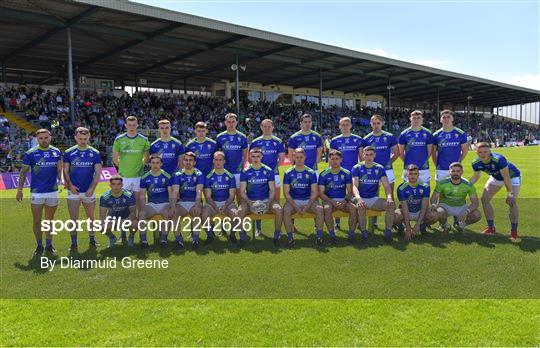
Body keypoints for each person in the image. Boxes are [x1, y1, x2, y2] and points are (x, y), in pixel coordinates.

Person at [16, 129, 63, 255]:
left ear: (50, 138)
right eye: (41, 138)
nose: (44, 140)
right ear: (37, 139)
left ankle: (49, 245)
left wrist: (62, 180)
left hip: (52, 191)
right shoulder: (30, 153)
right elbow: (23, 172)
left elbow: (59, 170)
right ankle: (39, 245)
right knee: (37, 221)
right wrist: (19, 190)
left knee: (49, 220)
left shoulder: (56, 152)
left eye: (46, 137)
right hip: (37, 192)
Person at [469, 142, 521, 240]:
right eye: (480, 152)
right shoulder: (475, 163)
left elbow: (506, 178)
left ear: (490, 151)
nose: (483, 154)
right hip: (496, 177)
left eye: (485, 151)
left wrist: (510, 193)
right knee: (485, 200)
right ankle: (491, 228)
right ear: (476, 153)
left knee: (512, 202)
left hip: (512, 176)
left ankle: (514, 231)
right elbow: (477, 175)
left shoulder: (498, 159)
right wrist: (467, 185)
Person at [63, 127, 102, 251]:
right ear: (75, 138)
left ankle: (92, 239)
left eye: (85, 139)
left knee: (91, 217)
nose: (83, 141)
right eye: (80, 139)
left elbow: (97, 173)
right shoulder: (69, 152)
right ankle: (73, 243)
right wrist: (70, 186)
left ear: (89, 137)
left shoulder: (95, 153)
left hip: (88, 191)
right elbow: (65, 171)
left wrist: (92, 188)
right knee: (73, 219)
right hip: (73, 191)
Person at [238, 148, 283, 247]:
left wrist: (268, 202)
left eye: (258, 156)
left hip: (266, 200)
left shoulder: (268, 170)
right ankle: (242, 236)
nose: (256, 159)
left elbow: (272, 190)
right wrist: (249, 202)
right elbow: (242, 191)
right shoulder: (245, 171)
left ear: (262, 157)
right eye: (253, 156)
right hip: (250, 200)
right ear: (249, 157)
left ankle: (277, 235)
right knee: (240, 211)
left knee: (279, 210)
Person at [249, 119, 286, 236]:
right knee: (257, 200)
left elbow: (281, 159)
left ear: (273, 127)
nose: (267, 128)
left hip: (274, 175)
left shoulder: (278, 141)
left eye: (269, 126)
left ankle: (277, 230)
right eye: (264, 126)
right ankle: (258, 228)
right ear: (261, 127)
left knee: (276, 201)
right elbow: (251, 159)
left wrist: (271, 170)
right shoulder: (255, 142)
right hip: (258, 176)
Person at [282, 148, 325, 248]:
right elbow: (286, 194)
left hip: (308, 200)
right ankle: (290, 238)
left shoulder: (310, 172)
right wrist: (296, 207)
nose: (299, 159)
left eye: (301, 157)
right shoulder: (288, 173)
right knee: (286, 210)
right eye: (297, 157)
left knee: (319, 209)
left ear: (305, 157)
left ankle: (319, 237)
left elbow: (314, 192)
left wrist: (307, 206)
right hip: (293, 201)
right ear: (293, 158)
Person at [352, 146, 394, 242]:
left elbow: (387, 186)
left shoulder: (379, 168)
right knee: (361, 206)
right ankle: (364, 232)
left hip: (373, 198)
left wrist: (389, 197)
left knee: (391, 205)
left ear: (374, 155)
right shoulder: (357, 168)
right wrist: (358, 198)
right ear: (363, 155)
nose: (369, 157)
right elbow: (354, 186)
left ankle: (388, 231)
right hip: (360, 197)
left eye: (371, 155)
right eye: (366, 155)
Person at [112, 116, 150, 220]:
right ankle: (125, 229)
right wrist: (124, 168)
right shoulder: (119, 139)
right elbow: (115, 158)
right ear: (125, 126)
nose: (132, 127)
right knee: (124, 204)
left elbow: (146, 159)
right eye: (129, 125)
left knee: (139, 202)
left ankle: (139, 225)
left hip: (138, 176)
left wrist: (138, 166)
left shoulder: (144, 140)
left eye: (134, 125)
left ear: (137, 125)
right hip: (124, 177)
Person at [329, 116, 363, 230]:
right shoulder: (334, 140)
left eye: (347, 124)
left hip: (353, 174)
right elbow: (332, 159)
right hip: (339, 173)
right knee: (337, 195)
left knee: (355, 196)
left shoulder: (358, 139)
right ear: (339, 126)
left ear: (351, 126)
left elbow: (361, 158)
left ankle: (357, 220)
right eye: (343, 124)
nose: (345, 126)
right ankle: (337, 223)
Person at [201, 151, 239, 246]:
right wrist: (216, 208)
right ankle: (210, 235)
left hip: (228, 203)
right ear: (213, 161)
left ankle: (232, 235)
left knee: (235, 214)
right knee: (204, 214)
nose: (218, 162)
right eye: (216, 160)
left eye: (220, 160)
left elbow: (232, 196)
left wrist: (225, 206)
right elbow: (208, 197)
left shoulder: (230, 176)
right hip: (212, 203)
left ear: (224, 161)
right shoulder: (208, 177)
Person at [431, 162, 481, 233]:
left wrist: (466, 212)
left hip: (460, 207)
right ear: (449, 172)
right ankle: (445, 225)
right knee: (439, 212)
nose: (455, 173)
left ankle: (461, 225)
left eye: (458, 171)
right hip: (445, 206)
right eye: (453, 171)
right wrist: (433, 204)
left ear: (462, 172)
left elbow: (475, 203)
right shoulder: (442, 183)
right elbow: (434, 198)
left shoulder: (468, 185)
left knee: (477, 215)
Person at [319, 150, 356, 244]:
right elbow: (321, 194)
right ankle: (332, 235)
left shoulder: (346, 173)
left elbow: (350, 191)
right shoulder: (323, 174)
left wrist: (345, 200)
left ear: (341, 160)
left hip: (343, 200)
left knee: (353, 208)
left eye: (337, 159)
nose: (334, 161)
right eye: (332, 159)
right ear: (329, 160)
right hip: (329, 201)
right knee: (326, 209)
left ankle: (351, 234)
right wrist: (332, 202)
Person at [170, 152, 204, 250]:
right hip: (182, 203)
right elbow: (175, 191)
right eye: (186, 160)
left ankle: (196, 240)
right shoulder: (177, 174)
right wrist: (172, 206)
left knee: (196, 213)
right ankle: (179, 240)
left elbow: (199, 191)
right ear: (183, 161)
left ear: (194, 162)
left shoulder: (199, 174)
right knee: (174, 213)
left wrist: (197, 205)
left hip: (194, 201)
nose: (188, 162)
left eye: (190, 160)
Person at [394, 164, 438, 240]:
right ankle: (402, 228)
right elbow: (405, 209)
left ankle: (421, 227)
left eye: (415, 174)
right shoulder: (401, 188)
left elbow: (424, 207)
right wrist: (408, 229)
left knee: (434, 216)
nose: (413, 176)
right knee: (394, 216)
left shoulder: (425, 186)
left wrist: (417, 225)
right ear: (406, 175)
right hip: (407, 212)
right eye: (410, 174)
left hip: (420, 211)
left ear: (418, 175)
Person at [138, 154, 173, 249]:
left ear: (161, 164)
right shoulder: (145, 177)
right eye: (153, 163)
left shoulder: (166, 176)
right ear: (149, 164)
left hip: (164, 204)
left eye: (157, 163)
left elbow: (171, 194)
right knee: (141, 215)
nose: (155, 165)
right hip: (152, 205)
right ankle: (144, 241)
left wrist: (171, 206)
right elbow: (142, 195)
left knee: (167, 214)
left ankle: (164, 240)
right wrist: (143, 207)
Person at [215, 113, 248, 198]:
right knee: (226, 197)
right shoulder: (220, 137)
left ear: (236, 122)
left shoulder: (242, 137)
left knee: (240, 197)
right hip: (224, 171)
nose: (231, 124)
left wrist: (243, 168)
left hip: (238, 171)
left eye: (233, 121)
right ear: (225, 123)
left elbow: (245, 155)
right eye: (229, 122)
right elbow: (217, 155)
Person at [98, 176, 137, 248]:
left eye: (119, 184)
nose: (116, 186)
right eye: (113, 184)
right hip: (113, 220)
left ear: (122, 185)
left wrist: (126, 220)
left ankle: (131, 237)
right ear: (110, 185)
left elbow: (133, 213)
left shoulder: (129, 195)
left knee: (135, 224)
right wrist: (103, 223)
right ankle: (112, 238)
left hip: (126, 218)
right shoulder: (104, 197)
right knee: (101, 227)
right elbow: (102, 215)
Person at [431, 110, 468, 182]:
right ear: (440, 120)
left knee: (456, 189)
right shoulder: (436, 135)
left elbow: (465, 150)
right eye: (444, 117)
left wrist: (459, 161)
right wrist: (437, 164)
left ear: (452, 119)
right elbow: (433, 152)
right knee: (440, 190)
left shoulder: (460, 133)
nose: (446, 119)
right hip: (441, 168)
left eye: (448, 117)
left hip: (456, 169)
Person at [398, 110, 433, 184]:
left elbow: (429, 152)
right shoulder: (404, 134)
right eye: (414, 118)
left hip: (423, 168)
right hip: (409, 168)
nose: (416, 120)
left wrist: (422, 161)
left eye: (418, 118)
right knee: (407, 191)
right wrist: (407, 162)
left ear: (422, 120)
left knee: (425, 190)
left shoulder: (427, 133)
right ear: (410, 119)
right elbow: (401, 152)